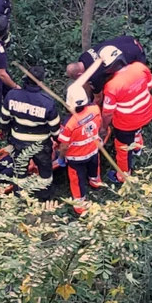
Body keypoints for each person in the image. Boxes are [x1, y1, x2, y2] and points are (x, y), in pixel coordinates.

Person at [0, 66, 60, 200]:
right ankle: (44, 196)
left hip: (18, 141)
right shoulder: (47, 102)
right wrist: (58, 141)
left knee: (20, 170)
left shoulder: (12, 95)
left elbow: (4, 119)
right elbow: (55, 129)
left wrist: (3, 131)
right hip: (41, 145)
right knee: (45, 171)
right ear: (40, 82)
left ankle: (19, 196)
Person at [98, 50, 152, 184]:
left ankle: (123, 176)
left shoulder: (112, 86)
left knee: (123, 149)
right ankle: (137, 148)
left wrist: (103, 128)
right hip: (147, 112)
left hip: (126, 124)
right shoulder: (139, 67)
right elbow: (150, 85)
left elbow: (107, 113)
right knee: (137, 130)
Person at [57, 84, 102, 215]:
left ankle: (80, 205)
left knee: (77, 180)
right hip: (93, 149)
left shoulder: (69, 124)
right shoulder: (94, 109)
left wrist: (61, 157)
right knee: (94, 168)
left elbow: (64, 145)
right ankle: (96, 183)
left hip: (76, 158)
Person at [66, 35, 146, 96]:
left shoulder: (93, 76)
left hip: (137, 55)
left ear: (80, 74)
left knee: (134, 80)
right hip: (128, 40)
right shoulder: (83, 56)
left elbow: (98, 97)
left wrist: (92, 107)